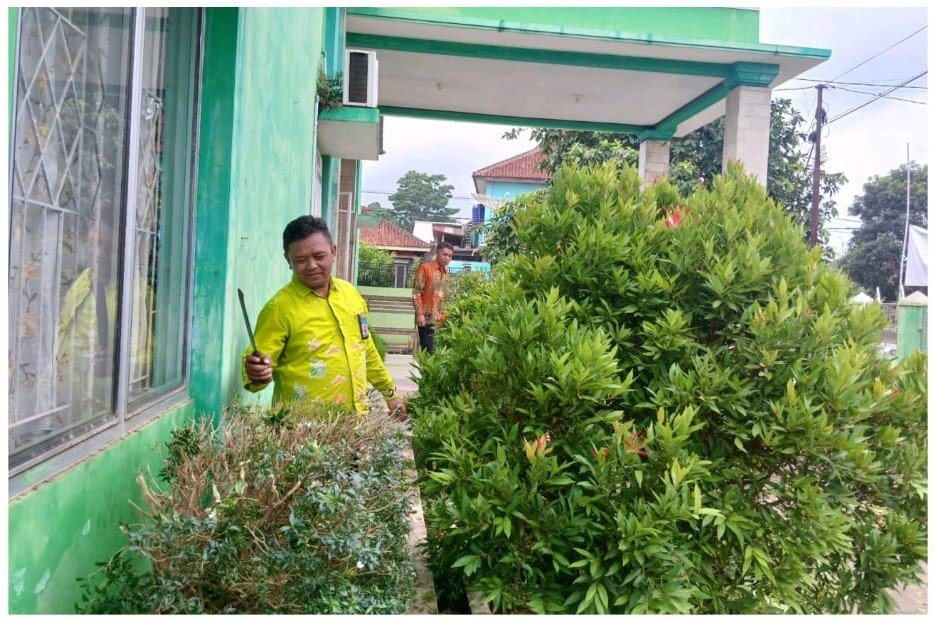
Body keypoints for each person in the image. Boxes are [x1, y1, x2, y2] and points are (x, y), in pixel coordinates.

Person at [243, 215, 405, 417]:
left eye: (319, 256)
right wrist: (256, 372)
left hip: (355, 425)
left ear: (333, 252)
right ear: (288, 260)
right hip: (302, 434)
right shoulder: (279, 308)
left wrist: (391, 394)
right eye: (301, 260)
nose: (311, 266)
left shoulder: (351, 295)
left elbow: (366, 349)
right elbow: (258, 364)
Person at [412, 241, 454, 354]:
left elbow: (443, 298)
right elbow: (416, 293)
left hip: (440, 320)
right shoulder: (425, 268)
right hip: (426, 319)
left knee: (437, 353)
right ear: (437, 253)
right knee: (428, 353)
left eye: (450, 256)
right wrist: (419, 314)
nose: (447, 258)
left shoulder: (445, 274)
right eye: (445, 254)